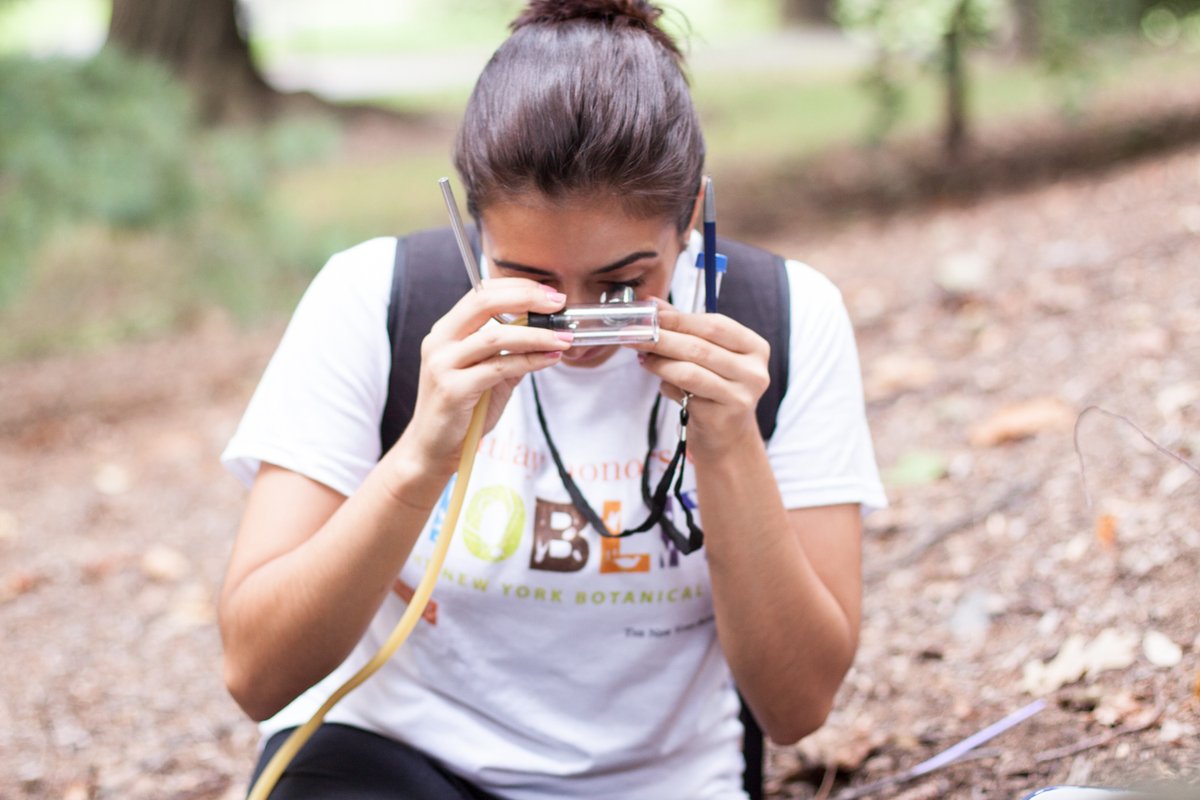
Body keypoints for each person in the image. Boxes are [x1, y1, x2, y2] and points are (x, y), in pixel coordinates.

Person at [218, 1, 887, 798]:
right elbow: (257, 673)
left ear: (692, 222)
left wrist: (729, 443)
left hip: (660, 779)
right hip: (396, 755)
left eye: (622, 284)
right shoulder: (375, 298)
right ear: (474, 231)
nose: (575, 324)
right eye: (530, 281)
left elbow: (798, 705)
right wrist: (422, 457)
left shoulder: (784, 317)